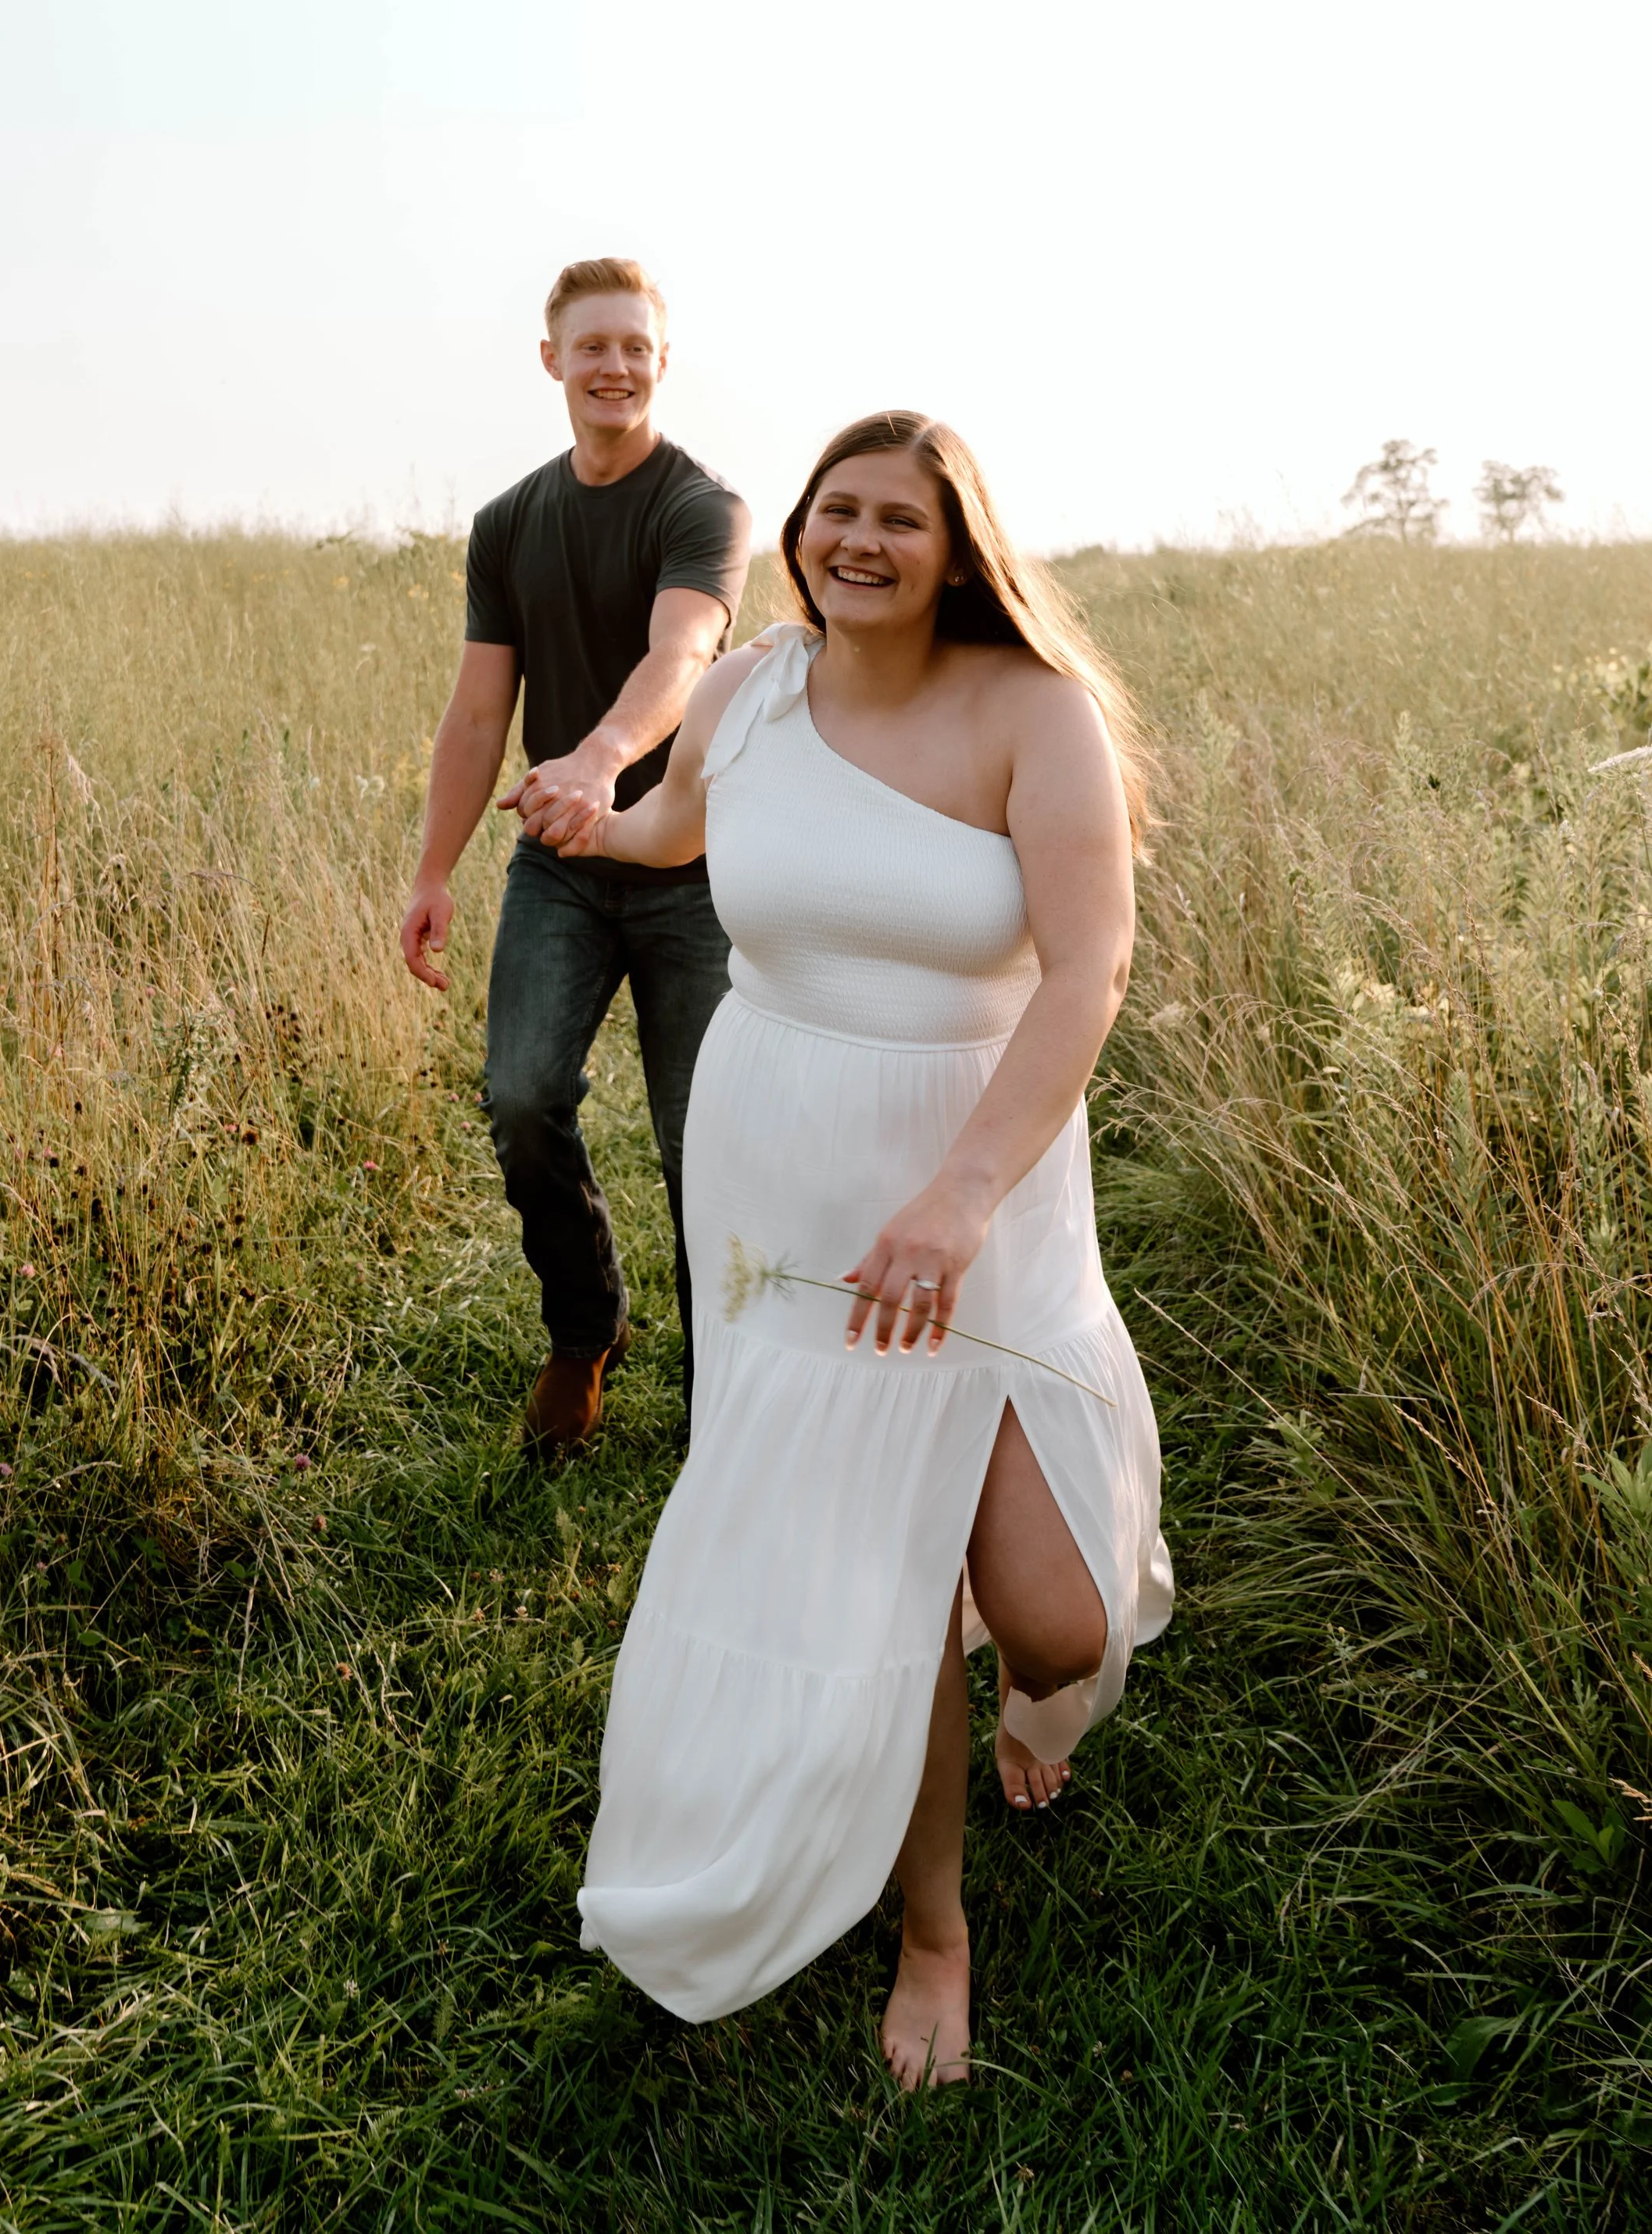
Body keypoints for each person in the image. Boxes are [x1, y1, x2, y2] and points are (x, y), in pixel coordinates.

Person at [567, 410, 1174, 2086]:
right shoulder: (753, 690)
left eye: (895, 516)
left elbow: (1086, 973)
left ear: (953, 543)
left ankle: (1010, 1675)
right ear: (798, 535)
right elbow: (679, 827)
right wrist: (586, 816)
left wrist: (965, 1189)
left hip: (978, 1158)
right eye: (833, 509)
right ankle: (931, 1925)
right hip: (783, 1157)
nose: (856, 538)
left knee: (1053, 1627)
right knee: (879, 1562)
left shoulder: (1030, 713)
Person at [399, 258, 751, 1451]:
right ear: (551, 360)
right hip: (559, 863)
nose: (614, 366)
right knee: (525, 1099)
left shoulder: (703, 509)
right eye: (591, 346)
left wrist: (601, 756)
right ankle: (586, 1323)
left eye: (635, 348)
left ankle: (729, 1412)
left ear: (662, 363)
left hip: (692, 861)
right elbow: (477, 712)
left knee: (704, 1143)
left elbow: (684, 653)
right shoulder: (509, 523)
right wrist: (435, 871)